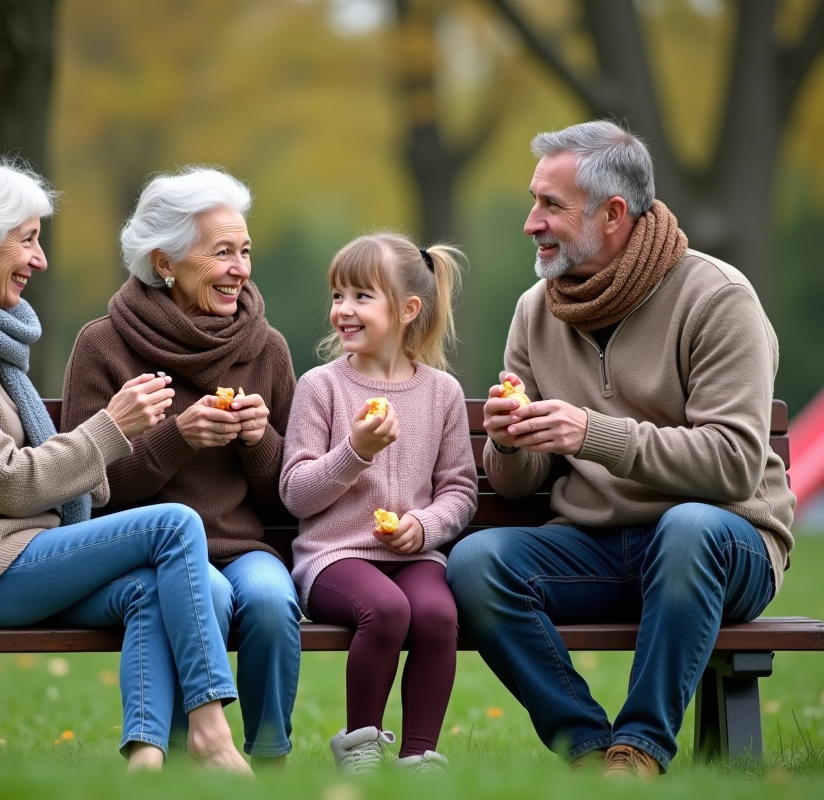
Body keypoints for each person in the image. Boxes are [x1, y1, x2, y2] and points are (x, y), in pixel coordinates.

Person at [0, 153, 250, 774]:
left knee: (152, 589)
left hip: (13, 554)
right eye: (27, 241)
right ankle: (212, 732)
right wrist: (110, 429)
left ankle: (147, 761)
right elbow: (7, 482)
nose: (40, 259)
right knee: (173, 524)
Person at [446, 120, 797, 778]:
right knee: (474, 562)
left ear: (612, 215)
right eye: (533, 200)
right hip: (601, 548)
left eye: (551, 205)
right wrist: (509, 440)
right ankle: (585, 746)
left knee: (688, 526)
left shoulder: (717, 298)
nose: (532, 222)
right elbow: (520, 485)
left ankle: (639, 749)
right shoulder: (536, 310)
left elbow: (731, 465)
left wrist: (589, 432)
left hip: (725, 542)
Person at [61, 167, 300, 767]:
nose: (240, 269)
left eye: (244, 251)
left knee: (271, 603)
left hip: (246, 548)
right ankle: (175, 755)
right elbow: (89, 495)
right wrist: (177, 438)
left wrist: (257, 439)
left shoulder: (266, 347)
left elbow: (288, 500)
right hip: (149, 555)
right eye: (221, 252)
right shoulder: (103, 346)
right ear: (165, 262)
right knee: (209, 600)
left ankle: (270, 760)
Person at [280, 233, 478, 774]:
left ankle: (419, 758)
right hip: (334, 557)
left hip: (414, 556)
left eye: (362, 296)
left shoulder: (442, 394)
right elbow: (296, 491)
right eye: (338, 295)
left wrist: (424, 525)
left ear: (408, 309)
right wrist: (355, 453)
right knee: (386, 610)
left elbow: (459, 490)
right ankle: (361, 747)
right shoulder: (321, 387)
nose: (343, 309)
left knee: (438, 615)